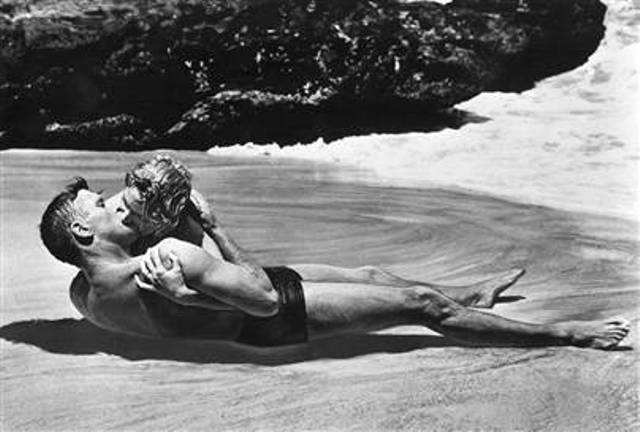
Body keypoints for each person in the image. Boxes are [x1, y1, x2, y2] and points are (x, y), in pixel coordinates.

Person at [39, 175, 630, 349]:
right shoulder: (168, 257)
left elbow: (174, 313)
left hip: (232, 301)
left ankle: (471, 298)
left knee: (373, 277)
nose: (116, 203)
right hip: (270, 316)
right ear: (84, 232)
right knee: (422, 306)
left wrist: (188, 297)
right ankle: (565, 334)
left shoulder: (84, 297)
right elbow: (260, 297)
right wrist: (210, 226)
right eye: (103, 205)